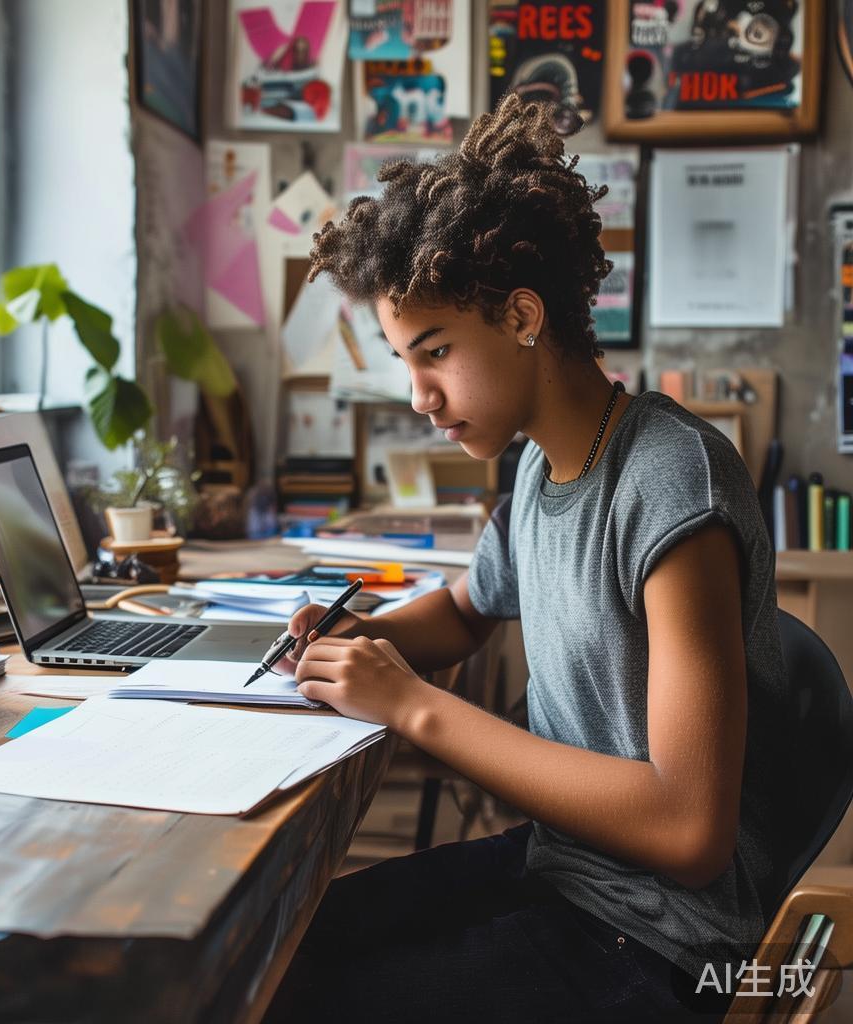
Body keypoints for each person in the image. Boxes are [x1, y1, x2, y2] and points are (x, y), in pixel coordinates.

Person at [264, 91, 787, 1022]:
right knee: (280, 945)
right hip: (565, 870)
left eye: (434, 353)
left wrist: (415, 708)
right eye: (403, 361)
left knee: (303, 999)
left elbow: (690, 827)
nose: (420, 395)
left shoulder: (672, 481)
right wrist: (356, 644)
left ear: (520, 316)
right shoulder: (542, 477)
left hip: (661, 939)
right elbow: (466, 611)